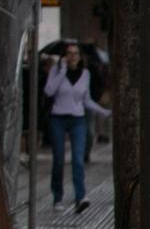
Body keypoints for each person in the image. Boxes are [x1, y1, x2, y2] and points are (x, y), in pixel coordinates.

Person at [43, 42, 109, 215]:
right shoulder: (56, 72)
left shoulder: (85, 74)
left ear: (80, 57)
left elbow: (86, 100)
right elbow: (49, 92)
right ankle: (58, 197)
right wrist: (62, 71)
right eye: (69, 53)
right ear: (64, 56)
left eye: (76, 53)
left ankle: (81, 196)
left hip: (77, 120)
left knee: (78, 160)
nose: (73, 57)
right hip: (58, 119)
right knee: (58, 160)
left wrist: (103, 111)